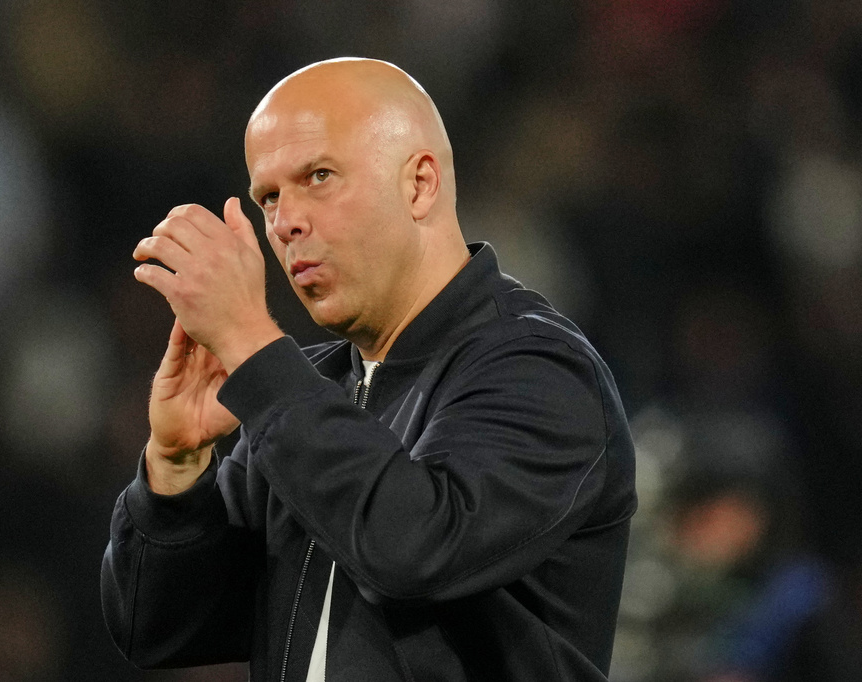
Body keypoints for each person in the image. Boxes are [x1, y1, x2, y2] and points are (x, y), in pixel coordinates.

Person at [101, 57, 637, 681]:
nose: (285, 221)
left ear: (419, 185)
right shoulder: (309, 394)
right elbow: (158, 628)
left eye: (319, 176)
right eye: (268, 197)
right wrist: (175, 467)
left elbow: (415, 548)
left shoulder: (539, 369)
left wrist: (252, 345)